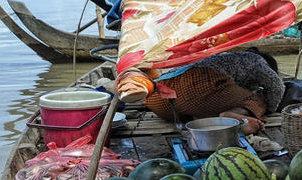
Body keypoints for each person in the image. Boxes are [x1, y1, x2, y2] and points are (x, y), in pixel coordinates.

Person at [115, 48, 285, 135]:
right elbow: (277, 86)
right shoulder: (256, 60)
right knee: (256, 99)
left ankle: (202, 116)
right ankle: (229, 117)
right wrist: (268, 108)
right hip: (198, 85)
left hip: (160, 98)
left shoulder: (226, 57)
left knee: (202, 103)